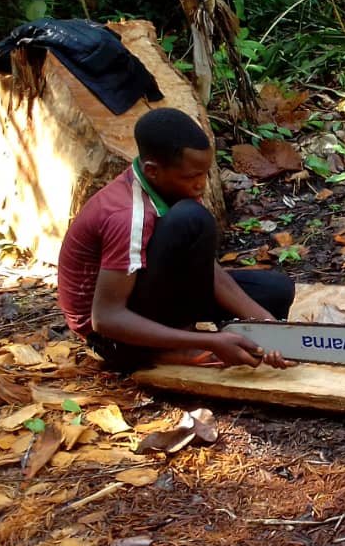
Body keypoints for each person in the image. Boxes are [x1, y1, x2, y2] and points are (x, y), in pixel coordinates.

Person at [57, 107, 295, 373]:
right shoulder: (127, 215)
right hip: (111, 337)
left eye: (204, 173)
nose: (201, 185)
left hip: (145, 296)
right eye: (192, 177)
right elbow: (106, 319)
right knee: (192, 219)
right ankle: (174, 346)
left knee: (276, 291)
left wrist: (270, 327)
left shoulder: (168, 186)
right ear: (152, 170)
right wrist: (210, 342)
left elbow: (206, 270)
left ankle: (199, 336)